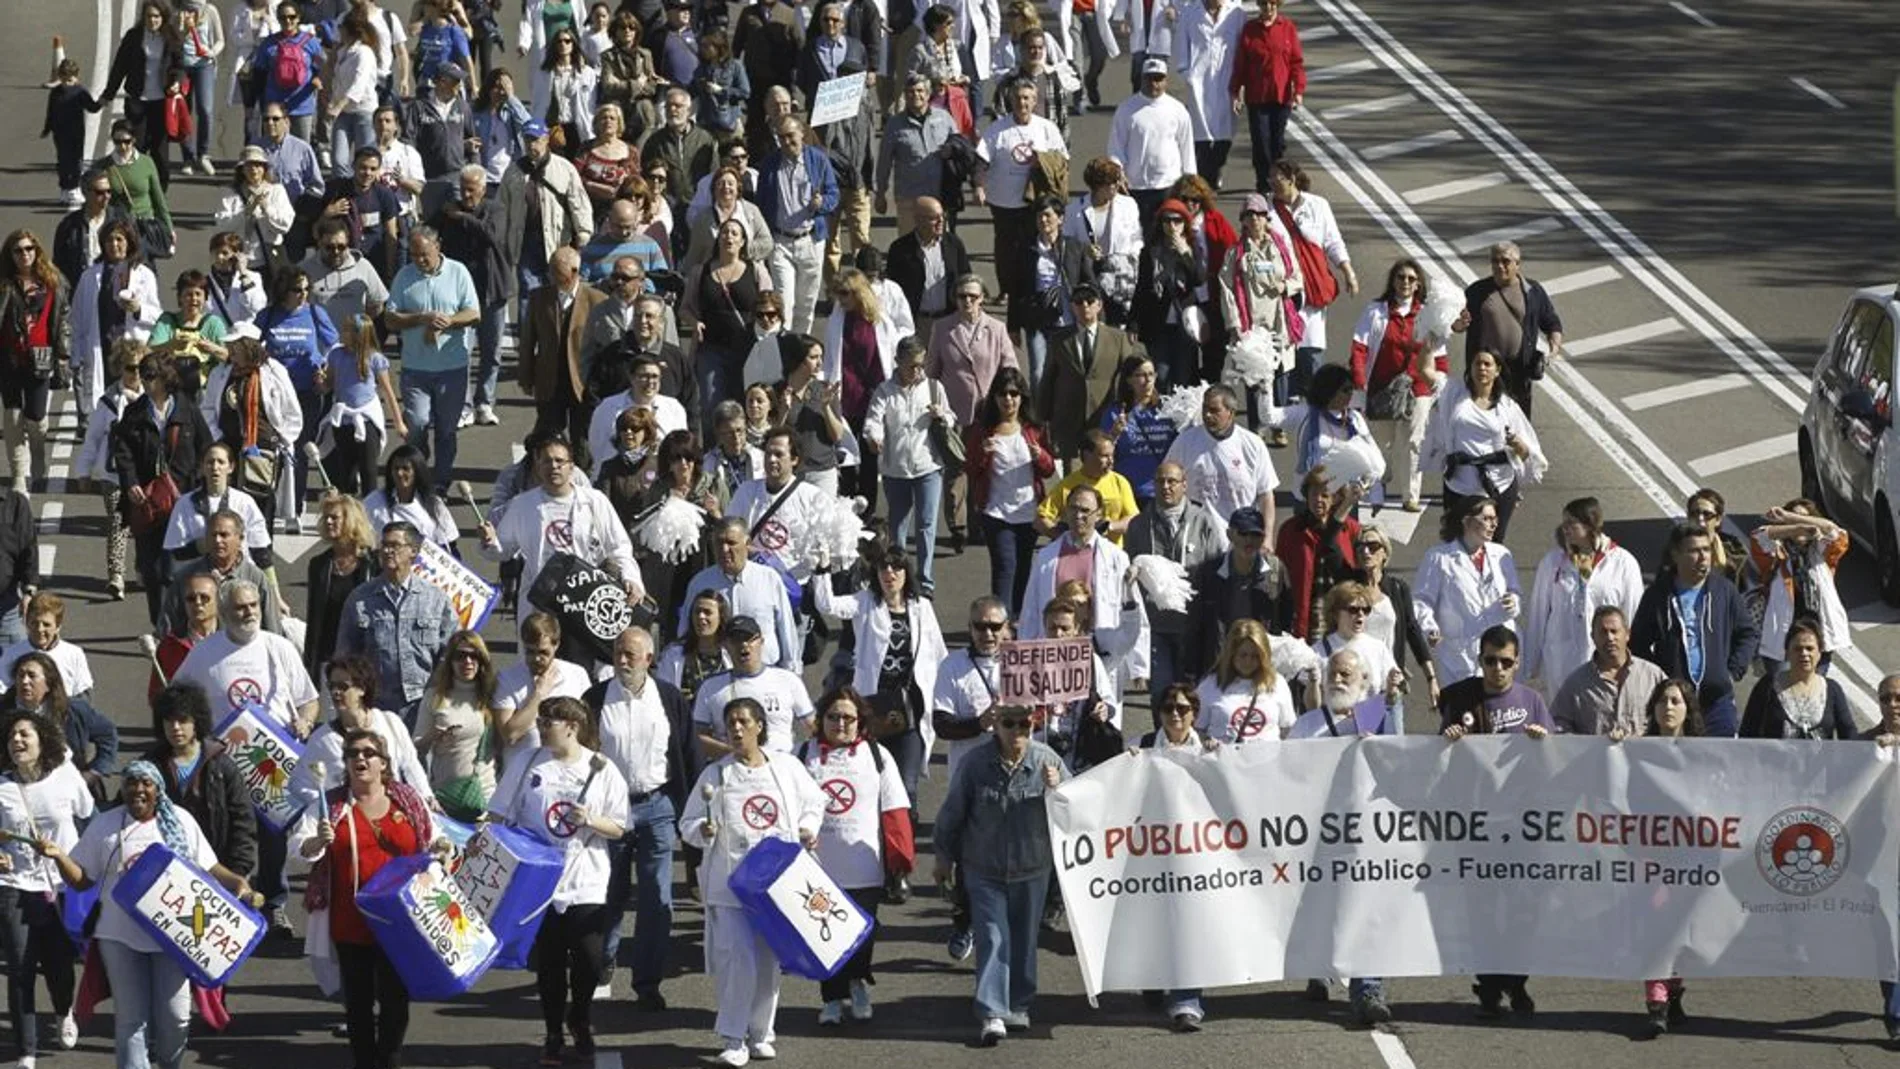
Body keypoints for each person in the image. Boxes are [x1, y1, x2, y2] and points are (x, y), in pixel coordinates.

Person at [44, 762, 255, 1067]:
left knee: (175, 1018)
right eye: (131, 783)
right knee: (131, 1018)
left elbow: (209, 867)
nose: (138, 790)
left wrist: (237, 882)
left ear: (158, 789)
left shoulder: (180, 822)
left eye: (146, 783)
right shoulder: (104, 825)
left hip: (173, 939)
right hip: (118, 936)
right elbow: (82, 880)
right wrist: (59, 857)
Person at [678, 695, 823, 1066]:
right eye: (731, 723)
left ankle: (761, 1033)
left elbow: (814, 802)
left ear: (760, 726)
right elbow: (688, 823)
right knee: (737, 959)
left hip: (776, 883)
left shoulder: (787, 768)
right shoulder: (715, 774)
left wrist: (807, 829)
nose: (737, 729)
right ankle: (733, 1036)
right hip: (730, 884)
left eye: (744, 722)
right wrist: (705, 831)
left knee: (768, 961)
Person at [486, 695, 628, 1065]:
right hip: (539, 879)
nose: (541, 726)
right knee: (549, 961)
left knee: (590, 959)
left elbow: (619, 826)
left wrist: (591, 820)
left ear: (572, 726)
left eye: (549, 721)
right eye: (541, 720)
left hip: (586, 879)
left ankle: (579, 1015)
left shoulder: (602, 769)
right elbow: (499, 813)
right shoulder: (528, 762)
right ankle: (552, 1032)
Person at [289, 727, 437, 1069]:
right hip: (351, 920)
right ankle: (365, 1062)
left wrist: (441, 850)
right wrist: (315, 843)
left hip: (400, 921)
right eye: (353, 753)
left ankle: (390, 1057)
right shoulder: (331, 806)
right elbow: (295, 851)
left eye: (368, 753)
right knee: (357, 1002)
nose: (360, 759)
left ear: (383, 762)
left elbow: (434, 840)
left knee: (395, 999)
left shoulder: (408, 801)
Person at [811, 545, 945, 894]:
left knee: (907, 789)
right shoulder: (866, 603)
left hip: (910, 713)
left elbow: (937, 654)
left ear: (906, 574)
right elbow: (828, 605)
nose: (890, 576)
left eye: (897, 569)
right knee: (871, 789)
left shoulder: (921, 608)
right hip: (871, 710)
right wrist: (824, 566)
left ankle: (899, 867)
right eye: (884, 570)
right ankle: (876, 859)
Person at [932, 703, 1067, 1046]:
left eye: (1025, 723)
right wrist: (943, 857)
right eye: (1010, 723)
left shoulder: (1047, 759)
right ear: (997, 727)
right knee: (993, 936)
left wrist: (1059, 787)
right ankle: (992, 1011)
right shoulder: (975, 764)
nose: (1018, 730)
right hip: (983, 868)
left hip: (1032, 867)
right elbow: (952, 812)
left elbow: (1077, 810)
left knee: (1023, 939)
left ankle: (1018, 1003)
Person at [1436, 624, 1550, 1018]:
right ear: (1479, 660)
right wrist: (1447, 742)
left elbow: (1557, 758)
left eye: (1505, 662)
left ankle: (1516, 982)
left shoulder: (1532, 701)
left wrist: (1542, 743)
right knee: (1481, 909)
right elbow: (1435, 762)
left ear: (1517, 663)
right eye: (1489, 661)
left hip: (1521, 825)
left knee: (1523, 908)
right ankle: (1488, 984)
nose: (1497, 669)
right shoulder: (1461, 699)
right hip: (1477, 825)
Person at [798, 687, 911, 1026]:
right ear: (822, 720)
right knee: (825, 936)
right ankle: (832, 998)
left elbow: (895, 809)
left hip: (865, 865)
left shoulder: (877, 757)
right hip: (818, 867)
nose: (841, 724)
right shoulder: (803, 754)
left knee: (861, 936)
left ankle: (858, 982)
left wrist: (901, 860)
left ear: (860, 721)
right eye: (833, 717)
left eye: (849, 717)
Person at [588, 628, 688, 1008]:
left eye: (630, 654)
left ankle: (648, 982)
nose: (622, 660)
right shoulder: (596, 699)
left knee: (657, 898)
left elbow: (685, 752)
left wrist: (684, 808)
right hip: (609, 812)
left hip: (656, 808)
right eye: (618, 653)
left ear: (649, 658)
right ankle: (602, 965)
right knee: (608, 894)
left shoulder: (668, 698)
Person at [0, 709, 94, 1067]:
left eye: (25, 734)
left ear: (43, 741)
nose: (17, 741)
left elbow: (87, 810)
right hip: (13, 885)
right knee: (20, 967)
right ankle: (27, 1051)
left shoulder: (64, 777)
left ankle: (63, 1010)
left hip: (60, 886)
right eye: (12, 737)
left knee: (57, 965)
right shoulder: (2, 787)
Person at [478, 434, 642, 622]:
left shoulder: (594, 501)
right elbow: (502, 551)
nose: (553, 466)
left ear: (572, 466)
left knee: (579, 651)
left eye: (559, 461)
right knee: (539, 651)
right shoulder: (522, 504)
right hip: (538, 600)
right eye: (546, 461)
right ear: (538, 467)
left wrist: (631, 577)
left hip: (584, 598)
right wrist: (490, 541)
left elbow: (619, 546)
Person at [113, 349, 214, 625]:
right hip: (149, 504)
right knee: (153, 569)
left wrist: (195, 482)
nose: (144, 382)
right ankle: (161, 626)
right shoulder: (134, 414)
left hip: (184, 501)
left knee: (184, 566)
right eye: (142, 376)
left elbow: (205, 447)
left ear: (165, 379)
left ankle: (188, 622)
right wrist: (131, 482)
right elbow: (122, 452)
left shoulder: (187, 409)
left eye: (150, 376)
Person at [1629, 522, 1758, 738]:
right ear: (1675, 555)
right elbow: (1638, 644)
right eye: (1694, 551)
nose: (1703, 557)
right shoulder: (1658, 595)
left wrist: (1732, 671)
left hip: (1717, 702)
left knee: (1719, 765)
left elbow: (1748, 633)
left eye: (1706, 549)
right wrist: (1660, 677)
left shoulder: (1724, 590)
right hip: (1676, 704)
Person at [332, 522, 460, 724]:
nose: (387, 551)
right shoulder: (360, 599)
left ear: (413, 552)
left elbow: (452, 652)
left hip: (423, 706)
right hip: (377, 707)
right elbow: (345, 657)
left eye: (395, 545)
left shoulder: (435, 599)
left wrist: (438, 696)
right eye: (384, 545)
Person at [384, 226, 481, 486]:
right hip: (416, 368)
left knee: (447, 431)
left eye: (424, 254)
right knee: (416, 423)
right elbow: (390, 318)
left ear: (438, 246)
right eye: (414, 255)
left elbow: (473, 313)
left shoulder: (458, 272)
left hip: (452, 368)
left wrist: (447, 322)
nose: (419, 260)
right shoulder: (405, 277)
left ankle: (440, 482)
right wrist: (420, 318)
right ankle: (419, 461)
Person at [1519, 497, 1644, 694]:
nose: (1565, 528)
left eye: (1571, 523)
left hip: (1604, 658)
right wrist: (1530, 666)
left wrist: (1632, 663)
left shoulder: (1623, 563)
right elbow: (1538, 613)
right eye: (1563, 523)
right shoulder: (1553, 562)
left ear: (1590, 524)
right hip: (1560, 660)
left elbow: (1633, 614)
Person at [1419, 348, 1545, 541]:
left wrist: (1517, 444)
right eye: (1477, 363)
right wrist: (1429, 338)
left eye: (1487, 364)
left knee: (1493, 544)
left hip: (1498, 486)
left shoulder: (1507, 407)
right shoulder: (1454, 393)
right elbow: (1426, 371)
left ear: (1497, 370)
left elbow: (1527, 453)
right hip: (1459, 485)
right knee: (1455, 542)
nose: (1482, 368)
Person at [1348, 258, 1443, 506]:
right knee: (1382, 441)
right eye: (1401, 277)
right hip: (1382, 387)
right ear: (1393, 281)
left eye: (1411, 279)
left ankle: (1410, 496)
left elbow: (1439, 354)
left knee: (1413, 440)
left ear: (1418, 284)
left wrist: (1440, 385)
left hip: (1417, 387)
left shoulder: (1427, 314)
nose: (1406, 283)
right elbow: (1360, 346)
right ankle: (1382, 474)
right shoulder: (1375, 311)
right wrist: (1358, 377)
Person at [962, 369, 1055, 615]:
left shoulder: (1034, 429)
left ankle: (1020, 622)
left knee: (1024, 569)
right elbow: (970, 468)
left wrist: (1041, 456)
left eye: (1014, 393)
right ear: (994, 397)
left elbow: (1049, 470)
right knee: (1005, 567)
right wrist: (983, 452)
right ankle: (1000, 622)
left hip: (1028, 512)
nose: (1008, 399)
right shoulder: (983, 430)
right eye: (1003, 394)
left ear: (1022, 397)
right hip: (996, 513)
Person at [864, 340, 950, 596]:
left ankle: (924, 581)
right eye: (912, 366)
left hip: (928, 467)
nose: (918, 371)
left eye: (922, 365)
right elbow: (873, 420)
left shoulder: (933, 388)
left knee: (926, 525)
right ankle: (900, 577)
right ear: (898, 362)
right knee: (898, 528)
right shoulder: (884, 391)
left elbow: (951, 417)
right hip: (896, 470)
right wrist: (875, 436)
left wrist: (941, 415)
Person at [975, 81, 1067, 304]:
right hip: (1003, 201)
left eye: (1027, 98)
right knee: (1005, 249)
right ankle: (1006, 289)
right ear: (1010, 101)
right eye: (1017, 98)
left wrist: (1043, 162)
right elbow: (981, 161)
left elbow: (1063, 161)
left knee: (1034, 246)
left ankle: (1033, 287)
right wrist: (979, 186)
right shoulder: (997, 129)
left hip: (1035, 202)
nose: (1022, 103)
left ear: (1035, 101)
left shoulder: (1047, 128)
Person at [1269, 159, 1355, 397]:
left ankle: (1317, 404)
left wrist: (1348, 271)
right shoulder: (1266, 211)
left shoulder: (1318, 205)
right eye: (1271, 180)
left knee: (1312, 353)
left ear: (1292, 179)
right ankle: (1283, 416)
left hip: (1312, 292)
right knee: (1284, 354)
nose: (1274, 185)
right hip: (1283, 294)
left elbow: (1333, 241)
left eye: (1279, 179)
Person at [1411, 496, 1518, 686]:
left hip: (1500, 651)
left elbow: (1515, 592)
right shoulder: (1439, 557)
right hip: (1460, 653)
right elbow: (1421, 600)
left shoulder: (1502, 554)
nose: (1493, 524)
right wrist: (1430, 628)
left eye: (1495, 519)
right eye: (1486, 518)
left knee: (1499, 710)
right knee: (1465, 713)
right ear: (1466, 521)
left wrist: (1513, 603)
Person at [1452, 240, 1564, 419]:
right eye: (1495, 261)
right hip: (1486, 369)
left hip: (1520, 369)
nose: (1499, 266)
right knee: (1486, 419)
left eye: (1505, 261)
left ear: (1517, 264)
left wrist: (1555, 346)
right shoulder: (1476, 292)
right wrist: (1457, 325)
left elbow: (1551, 321)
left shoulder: (1533, 291)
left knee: (1519, 421)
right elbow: (1454, 320)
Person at [1016, 483, 1134, 643]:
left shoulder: (1117, 558)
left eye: (1085, 510)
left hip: (1100, 650)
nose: (1078, 515)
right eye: (1073, 509)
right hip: (1055, 649)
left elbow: (1130, 614)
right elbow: (1030, 612)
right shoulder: (1045, 558)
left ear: (1099, 514)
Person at [520, 247, 609, 455]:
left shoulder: (597, 300)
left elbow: (605, 347)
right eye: (551, 272)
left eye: (559, 273)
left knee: (583, 441)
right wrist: (526, 376)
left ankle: (582, 480)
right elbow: (528, 341)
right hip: (549, 382)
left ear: (575, 272)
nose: (554, 278)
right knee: (547, 438)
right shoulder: (538, 298)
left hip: (583, 383)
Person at [1181, 505, 1288, 678]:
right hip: (1219, 665)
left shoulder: (1275, 571)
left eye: (1256, 535)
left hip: (1260, 663)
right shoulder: (1208, 573)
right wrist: (1190, 670)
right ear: (1230, 534)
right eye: (1243, 534)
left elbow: (1286, 619)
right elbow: (1195, 624)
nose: (1249, 540)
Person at [71, 219, 162, 421]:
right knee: (106, 406)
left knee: (134, 403)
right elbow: (77, 318)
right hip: (102, 348)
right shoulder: (90, 276)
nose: (114, 245)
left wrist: (139, 310)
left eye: (119, 239)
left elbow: (157, 315)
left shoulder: (144, 275)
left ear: (129, 242)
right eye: (109, 240)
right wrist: (76, 354)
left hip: (132, 350)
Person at [754, 117, 838, 337]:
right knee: (784, 300)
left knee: (807, 303)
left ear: (802, 133)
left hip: (810, 240)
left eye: (790, 135)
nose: (786, 141)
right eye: (781, 137)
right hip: (781, 242)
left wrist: (822, 204)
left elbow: (833, 194)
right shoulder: (770, 164)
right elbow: (761, 202)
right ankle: (784, 348)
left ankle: (801, 346)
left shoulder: (818, 160)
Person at [0, 230, 69, 494]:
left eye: (29, 249)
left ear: (37, 251)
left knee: (36, 418)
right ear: (10, 255)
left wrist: (63, 354)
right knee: (13, 415)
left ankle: (38, 451)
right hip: (9, 357)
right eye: (18, 250)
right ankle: (19, 474)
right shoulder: (4, 284)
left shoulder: (53, 282)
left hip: (41, 358)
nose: (24, 255)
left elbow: (63, 321)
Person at [1749, 501, 1852, 675]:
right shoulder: (1777, 553)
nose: (1802, 525)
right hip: (1782, 640)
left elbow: (1835, 532)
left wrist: (1791, 517)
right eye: (1794, 520)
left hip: (1817, 638)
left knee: (1816, 690)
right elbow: (1758, 537)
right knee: (1781, 693)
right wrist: (1795, 528)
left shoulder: (1821, 553)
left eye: (1807, 518)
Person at [679, 523, 798, 672]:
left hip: (765, 672)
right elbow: (685, 630)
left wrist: (792, 671)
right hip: (717, 674)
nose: (724, 550)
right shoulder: (700, 583)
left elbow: (786, 627)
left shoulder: (769, 579)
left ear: (747, 544)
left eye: (731, 543)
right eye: (719, 543)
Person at [96, 3, 184, 192]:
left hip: (161, 103)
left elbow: (180, 64)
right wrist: (107, 95)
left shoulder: (171, 38)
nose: (152, 21)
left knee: (160, 155)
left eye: (156, 17)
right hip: (137, 102)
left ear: (163, 18)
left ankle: (160, 195)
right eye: (149, 17)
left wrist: (176, 80)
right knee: (138, 149)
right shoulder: (133, 37)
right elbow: (120, 67)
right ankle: (138, 192)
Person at [1164, 383, 1277, 529]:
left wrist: (1267, 538)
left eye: (1214, 410)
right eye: (1204, 409)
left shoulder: (1253, 444)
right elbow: (1165, 483)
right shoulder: (1184, 442)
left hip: (1240, 539)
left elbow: (1266, 496)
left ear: (1231, 412)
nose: (1207, 415)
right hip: (1196, 537)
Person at [1550, 607, 1666, 736]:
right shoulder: (1576, 684)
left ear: (1627, 634)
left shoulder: (1652, 676)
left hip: (1644, 755)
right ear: (1593, 636)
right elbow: (1558, 725)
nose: (1610, 638)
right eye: (1603, 632)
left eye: (1614, 631)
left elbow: (1676, 715)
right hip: (1596, 756)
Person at [1274, 467, 1360, 640]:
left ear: (1336, 498)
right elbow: (1278, 576)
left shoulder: (1350, 528)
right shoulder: (1291, 530)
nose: (1318, 500)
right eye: (1313, 494)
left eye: (1325, 495)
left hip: (1341, 611)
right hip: (1307, 614)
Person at [1127, 199, 1204, 390]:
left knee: (1183, 376)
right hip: (1158, 321)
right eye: (1167, 221)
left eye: (1177, 221)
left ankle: (1181, 417)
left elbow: (1199, 279)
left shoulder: (1192, 249)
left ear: (1185, 224)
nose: (1172, 226)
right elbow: (1142, 288)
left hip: (1184, 322)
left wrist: (1185, 254)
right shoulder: (1150, 252)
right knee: (1160, 375)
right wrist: (1133, 323)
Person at [1228, 0, 1303, 194]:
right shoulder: (1250, 30)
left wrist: (1299, 90)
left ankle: (1279, 180)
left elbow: (1296, 62)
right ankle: (1263, 182)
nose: (1268, 9)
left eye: (1272, 5)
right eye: (1264, 5)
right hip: (1257, 97)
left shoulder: (1287, 28)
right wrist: (1236, 91)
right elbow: (1241, 64)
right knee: (1261, 142)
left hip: (1281, 96)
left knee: (1277, 142)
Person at [1739, 619, 1854, 739]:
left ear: (1820, 652)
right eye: (1798, 649)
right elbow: (1747, 735)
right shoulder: (1767, 686)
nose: (1804, 653)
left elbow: (1850, 737)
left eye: (1810, 648)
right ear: (1787, 652)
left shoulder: (1833, 689)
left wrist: (1873, 734)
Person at [1109, 60, 1196, 219]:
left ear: (1166, 81)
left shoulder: (1177, 109)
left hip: (1169, 185)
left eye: (1158, 79)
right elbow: (1116, 147)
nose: (1154, 83)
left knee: (1167, 236)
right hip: (1135, 187)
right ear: (1141, 79)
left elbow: (1186, 148)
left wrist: (1190, 184)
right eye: (1149, 78)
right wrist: (1117, 174)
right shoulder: (1126, 109)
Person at [304, 492, 375, 681]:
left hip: (364, 659)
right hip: (330, 658)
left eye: (334, 517)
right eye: (325, 517)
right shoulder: (319, 565)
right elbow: (314, 621)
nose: (328, 522)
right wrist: (310, 665)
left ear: (351, 520)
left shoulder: (373, 564)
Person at [1195, 619, 1296, 745]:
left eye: (1255, 656)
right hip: (1224, 762)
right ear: (1231, 653)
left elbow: (1288, 730)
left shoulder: (1277, 683)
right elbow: (1195, 731)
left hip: (1267, 762)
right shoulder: (1210, 684)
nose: (1248, 662)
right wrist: (1206, 742)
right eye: (1243, 655)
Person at [149, 269, 232, 402]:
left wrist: (211, 349)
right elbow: (149, 353)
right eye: (188, 294)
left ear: (205, 298)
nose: (193, 299)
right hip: (171, 393)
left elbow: (230, 357)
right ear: (179, 298)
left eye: (198, 294)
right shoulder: (167, 320)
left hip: (206, 393)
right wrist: (172, 345)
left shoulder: (213, 323)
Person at [0, 595, 96, 701]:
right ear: (26, 623)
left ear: (58, 627)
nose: (39, 629)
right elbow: (2, 691)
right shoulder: (12, 653)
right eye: (34, 623)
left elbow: (83, 696)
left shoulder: (74, 654)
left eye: (46, 624)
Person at [363, 445, 459, 549]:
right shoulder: (373, 501)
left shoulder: (434, 504)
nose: (400, 473)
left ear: (417, 471)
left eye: (405, 468)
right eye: (396, 468)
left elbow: (450, 546)